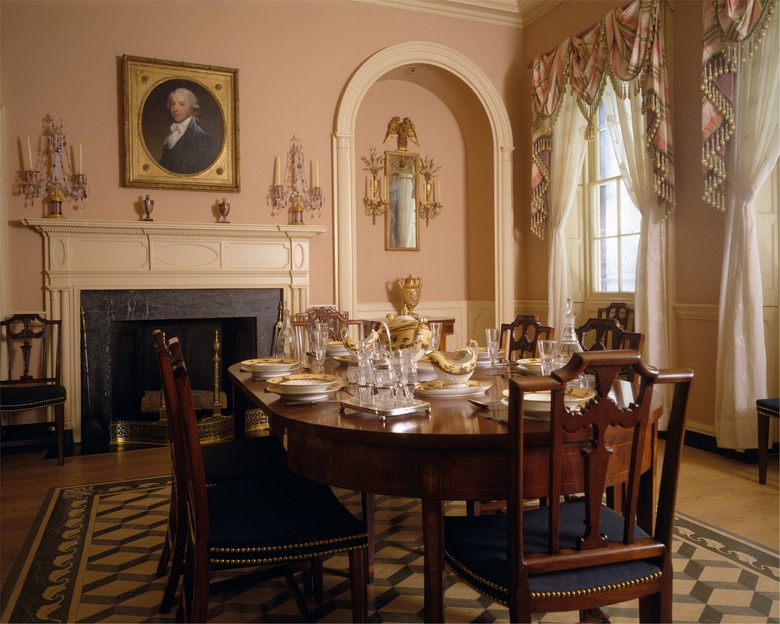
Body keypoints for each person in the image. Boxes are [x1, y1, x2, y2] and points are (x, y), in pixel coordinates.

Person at [159, 87, 219, 174]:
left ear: (192, 108)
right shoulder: (169, 139)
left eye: (181, 104)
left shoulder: (204, 140)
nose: (175, 109)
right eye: (172, 104)